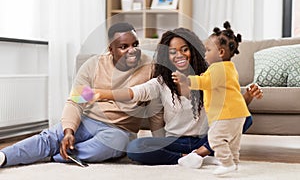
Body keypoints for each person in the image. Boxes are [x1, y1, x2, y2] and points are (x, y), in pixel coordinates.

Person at [92, 27, 263, 167]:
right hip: (175, 141)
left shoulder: (208, 77)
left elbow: (232, 109)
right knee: (135, 148)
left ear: (193, 51)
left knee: (245, 118)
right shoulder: (161, 82)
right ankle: (186, 157)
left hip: (206, 138)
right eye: (172, 52)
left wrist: (247, 96)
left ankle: (201, 153)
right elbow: (133, 92)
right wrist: (100, 93)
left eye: (184, 49)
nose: (179, 55)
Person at [0, 22, 158, 168]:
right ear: (111, 49)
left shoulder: (150, 67)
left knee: (115, 142)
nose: (132, 51)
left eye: (135, 44)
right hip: (88, 120)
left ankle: (58, 156)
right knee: (51, 137)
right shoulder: (93, 66)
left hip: (119, 130)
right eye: (124, 46)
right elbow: (76, 102)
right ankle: (4, 157)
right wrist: (69, 131)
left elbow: (159, 103)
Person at [172, 21, 252, 175]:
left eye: (208, 50)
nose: (205, 53)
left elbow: (205, 82)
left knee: (215, 138)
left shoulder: (216, 68)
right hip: (239, 113)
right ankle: (233, 162)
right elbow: (214, 82)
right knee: (233, 142)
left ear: (220, 52)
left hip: (225, 114)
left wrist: (186, 80)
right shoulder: (229, 68)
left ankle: (227, 163)